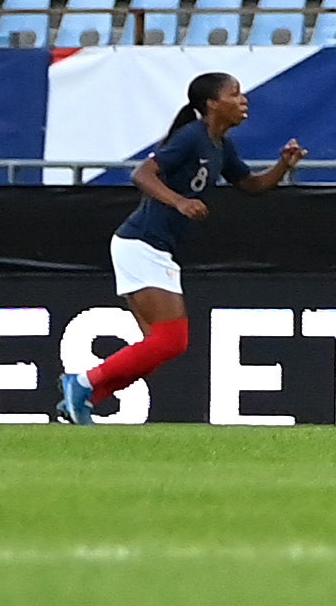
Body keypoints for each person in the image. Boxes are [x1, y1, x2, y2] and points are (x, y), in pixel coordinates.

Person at [55, 69, 309, 424]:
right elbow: (142, 174)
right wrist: (179, 202)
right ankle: (82, 383)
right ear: (212, 104)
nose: (243, 99)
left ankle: (83, 398)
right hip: (142, 243)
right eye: (235, 94)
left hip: (150, 248)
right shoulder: (192, 136)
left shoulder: (220, 145)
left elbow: (251, 186)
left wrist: (283, 165)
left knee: (158, 348)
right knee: (171, 341)